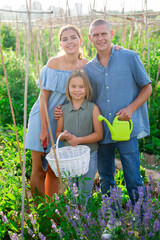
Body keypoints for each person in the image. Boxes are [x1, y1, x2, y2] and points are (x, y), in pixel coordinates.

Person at [83, 19, 152, 205]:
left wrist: (131, 108)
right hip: (102, 132)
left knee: (133, 178)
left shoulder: (129, 57)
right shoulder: (88, 69)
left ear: (111, 35)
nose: (100, 38)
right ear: (90, 38)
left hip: (125, 130)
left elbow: (147, 88)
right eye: (95, 35)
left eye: (104, 33)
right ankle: (113, 222)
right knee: (106, 179)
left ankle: (142, 224)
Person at [26, 25, 89, 198]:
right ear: (60, 44)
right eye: (65, 38)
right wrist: (44, 129)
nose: (69, 41)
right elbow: (43, 99)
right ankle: (39, 214)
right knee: (39, 170)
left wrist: (116, 48)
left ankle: (50, 211)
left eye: (73, 37)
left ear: (80, 40)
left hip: (62, 123)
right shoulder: (53, 64)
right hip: (43, 118)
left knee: (54, 171)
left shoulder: (87, 66)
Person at [56, 70, 103, 203]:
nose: (77, 90)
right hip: (70, 157)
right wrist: (66, 136)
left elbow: (99, 134)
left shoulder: (93, 108)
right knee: (72, 191)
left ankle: (85, 222)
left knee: (84, 192)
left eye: (81, 87)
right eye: (73, 86)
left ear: (87, 89)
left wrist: (77, 140)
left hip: (89, 156)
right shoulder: (63, 110)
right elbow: (58, 133)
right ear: (68, 88)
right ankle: (74, 220)